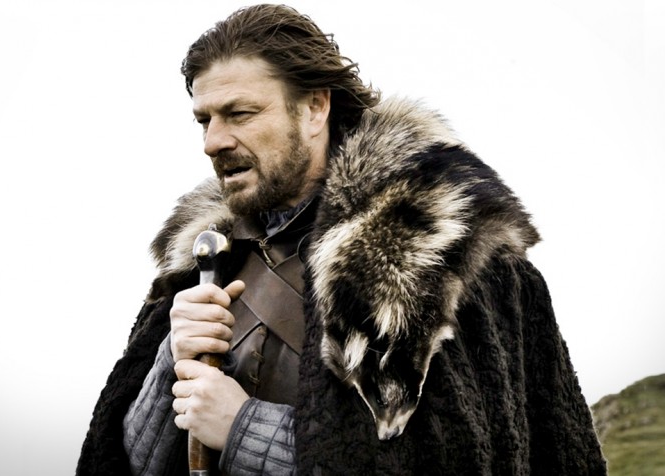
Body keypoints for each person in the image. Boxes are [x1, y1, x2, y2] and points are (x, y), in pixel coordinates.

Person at [77, 4, 606, 475]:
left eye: (239, 113)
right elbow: (117, 463)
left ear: (315, 108)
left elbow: (458, 457)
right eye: (204, 120)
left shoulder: (438, 251)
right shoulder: (203, 262)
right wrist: (171, 357)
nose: (213, 142)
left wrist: (241, 427)